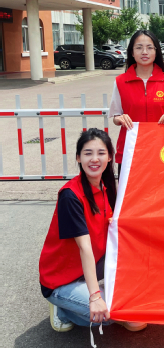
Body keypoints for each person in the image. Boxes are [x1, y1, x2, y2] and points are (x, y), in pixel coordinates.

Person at [39, 128, 146, 334]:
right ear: (78, 158)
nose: (94, 159)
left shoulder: (106, 187)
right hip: (61, 278)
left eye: (101, 153)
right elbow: (85, 249)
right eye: (88, 153)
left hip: (90, 265)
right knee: (110, 313)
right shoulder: (70, 196)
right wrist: (95, 297)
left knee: (135, 314)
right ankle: (62, 309)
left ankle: (89, 296)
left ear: (110, 157)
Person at [109, 30, 164, 173]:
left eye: (149, 47)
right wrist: (120, 118)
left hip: (162, 150)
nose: (144, 52)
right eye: (139, 47)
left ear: (156, 51)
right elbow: (116, 117)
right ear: (132, 52)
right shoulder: (120, 82)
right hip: (130, 150)